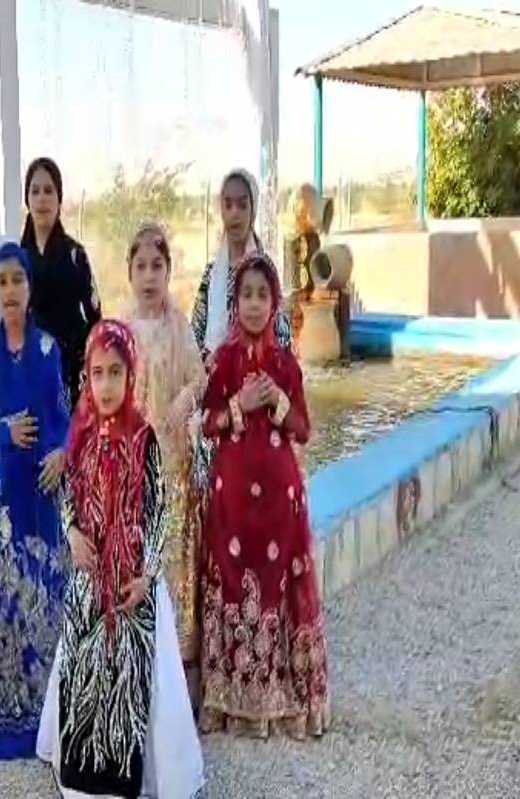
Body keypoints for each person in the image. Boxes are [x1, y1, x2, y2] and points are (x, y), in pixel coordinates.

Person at [37, 319, 205, 799]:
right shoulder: (81, 436)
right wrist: (72, 532)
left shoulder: (144, 438)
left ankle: (139, 773)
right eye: (98, 373)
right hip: (90, 578)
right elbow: (68, 496)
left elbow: (161, 510)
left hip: (134, 582)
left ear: (131, 375)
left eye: (116, 372)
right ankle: (85, 769)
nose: (106, 385)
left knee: (135, 674)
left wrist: (148, 575)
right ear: (86, 378)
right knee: (84, 668)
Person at [197, 253, 330, 741]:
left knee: (274, 587)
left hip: (278, 500)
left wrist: (276, 401)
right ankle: (229, 701)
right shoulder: (223, 361)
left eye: (262, 295)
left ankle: (281, 697)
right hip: (231, 501)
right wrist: (238, 404)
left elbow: (304, 429)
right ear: (235, 303)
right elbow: (207, 424)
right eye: (246, 295)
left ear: (275, 303)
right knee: (232, 586)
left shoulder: (285, 364)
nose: (254, 305)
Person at [0, 241, 72, 760]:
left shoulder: (49, 351)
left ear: (29, 288)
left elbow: (65, 418)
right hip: (1, 499)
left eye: (17, 280)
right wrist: (4, 430)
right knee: (1, 604)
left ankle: (48, 719)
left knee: (43, 600)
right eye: (1, 281)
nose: (10, 290)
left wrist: (62, 454)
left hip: (42, 491)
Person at [118, 222, 208, 706]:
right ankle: (140, 674)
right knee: (140, 559)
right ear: (130, 273)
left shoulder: (179, 327)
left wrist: (184, 400)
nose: (149, 275)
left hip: (174, 467)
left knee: (177, 562)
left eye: (157, 266)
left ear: (168, 271)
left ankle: (182, 677)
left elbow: (200, 379)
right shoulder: (122, 331)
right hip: (136, 468)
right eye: (141, 267)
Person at [22, 156, 103, 408]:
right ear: (27, 199)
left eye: (49, 191)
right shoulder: (16, 261)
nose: (42, 199)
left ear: (59, 198)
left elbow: (95, 318)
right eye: (35, 191)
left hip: (71, 377)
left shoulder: (75, 255)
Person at [190, 168, 291, 364]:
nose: (234, 213)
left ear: (253, 210)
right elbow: (194, 338)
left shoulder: (265, 269)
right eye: (227, 205)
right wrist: (210, 360)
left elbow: (283, 337)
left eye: (242, 205)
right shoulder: (211, 275)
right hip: (215, 376)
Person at [283, 184, 321, 342]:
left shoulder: (313, 238)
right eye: (310, 210)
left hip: (308, 299)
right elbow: (293, 280)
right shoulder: (292, 240)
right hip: (296, 301)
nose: (314, 215)